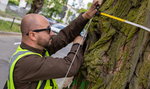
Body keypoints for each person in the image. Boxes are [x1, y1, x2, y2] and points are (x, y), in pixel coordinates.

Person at [6, 0, 100, 89]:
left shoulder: (36, 49)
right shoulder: (27, 62)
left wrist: (86, 16)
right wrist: (77, 44)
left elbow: (64, 36)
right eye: (48, 30)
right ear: (33, 35)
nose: (52, 33)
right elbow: (70, 67)